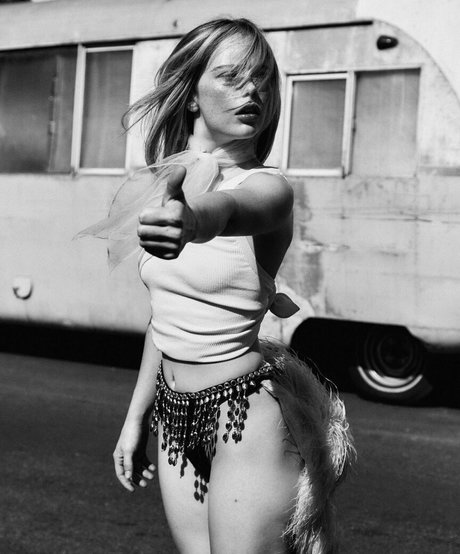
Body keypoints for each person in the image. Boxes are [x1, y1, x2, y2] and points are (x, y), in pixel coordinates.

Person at [106, 18, 354, 554]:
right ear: (192, 94)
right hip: (175, 416)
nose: (252, 91)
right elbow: (164, 319)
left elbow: (231, 209)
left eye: (262, 79)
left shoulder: (268, 188)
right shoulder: (161, 184)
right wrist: (136, 417)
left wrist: (194, 220)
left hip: (246, 421)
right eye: (231, 77)